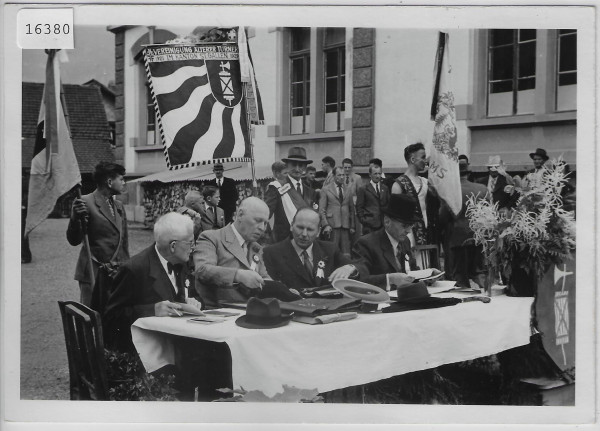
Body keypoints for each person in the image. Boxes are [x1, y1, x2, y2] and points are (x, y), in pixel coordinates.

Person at [103, 212, 203, 351]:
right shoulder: (135, 269)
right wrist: (151, 310)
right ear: (173, 246)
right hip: (146, 350)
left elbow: (194, 295)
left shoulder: (181, 261)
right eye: (190, 243)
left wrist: (195, 301)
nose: (194, 248)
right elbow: (111, 317)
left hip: (176, 343)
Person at [193, 197, 300, 307]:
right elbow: (203, 270)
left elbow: (263, 278)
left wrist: (282, 291)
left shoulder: (256, 248)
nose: (262, 228)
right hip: (216, 313)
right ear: (240, 215)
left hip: (249, 313)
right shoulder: (211, 237)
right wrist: (238, 275)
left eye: (265, 223)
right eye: (258, 221)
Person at [66, 162, 129, 307]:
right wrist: (75, 218)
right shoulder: (84, 202)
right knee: (91, 317)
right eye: (121, 179)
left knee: (113, 317)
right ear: (109, 182)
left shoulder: (119, 206)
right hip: (93, 272)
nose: (124, 183)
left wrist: (126, 270)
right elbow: (74, 240)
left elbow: (124, 244)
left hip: (116, 273)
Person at [353, 194, 441, 290]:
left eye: (411, 226)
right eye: (404, 226)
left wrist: (427, 275)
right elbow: (359, 280)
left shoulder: (405, 241)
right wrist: (389, 279)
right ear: (387, 221)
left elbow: (411, 271)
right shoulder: (366, 244)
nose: (408, 231)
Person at [263, 208, 362, 291]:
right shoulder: (271, 253)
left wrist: (349, 267)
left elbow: (360, 267)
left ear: (318, 232)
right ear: (291, 226)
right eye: (300, 227)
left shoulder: (330, 249)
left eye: (310, 230)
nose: (304, 234)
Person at [439, 158, 488, 288]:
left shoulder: (450, 191)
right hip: (479, 237)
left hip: (458, 238)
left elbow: (443, 217)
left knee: (460, 276)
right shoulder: (482, 189)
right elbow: (489, 213)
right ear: (468, 173)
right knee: (479, 272)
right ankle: (486, 296)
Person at [264, 147, 318, 243]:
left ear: (305, 168)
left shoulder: (311, 192)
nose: (297, 169)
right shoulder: (276, 187)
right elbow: (265, 214)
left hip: (304, 241)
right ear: (287, 166)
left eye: (301, 165)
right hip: (282, 242)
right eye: (293, 165)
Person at [391, 143, 437, 246]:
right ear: (412, 160)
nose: (425, 161)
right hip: (408, 234)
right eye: (423, 157)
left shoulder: (425, 182)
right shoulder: (398, 185)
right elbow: (394, 216)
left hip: (425, 232)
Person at [319, 166, 355, 257]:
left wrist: (352, 225)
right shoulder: (326, 189)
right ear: (334, 176)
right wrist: (325, 225)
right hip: (332, 225)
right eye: (339, 175)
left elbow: (351, 209)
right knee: (331, 251)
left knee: (346, 252)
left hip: (345, 225)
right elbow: (322, 209)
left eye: (343, 175)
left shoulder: (348, 189)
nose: (342, 177)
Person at [356, 164, 390, 234]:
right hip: (369, 226)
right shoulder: (363, 189)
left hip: (383, 225)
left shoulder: (385, 188)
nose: (378, 176)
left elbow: (388, 205)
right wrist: (364, 220)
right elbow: (359, 207)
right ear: (370, 175)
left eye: (379, 174)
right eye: (375, 174)